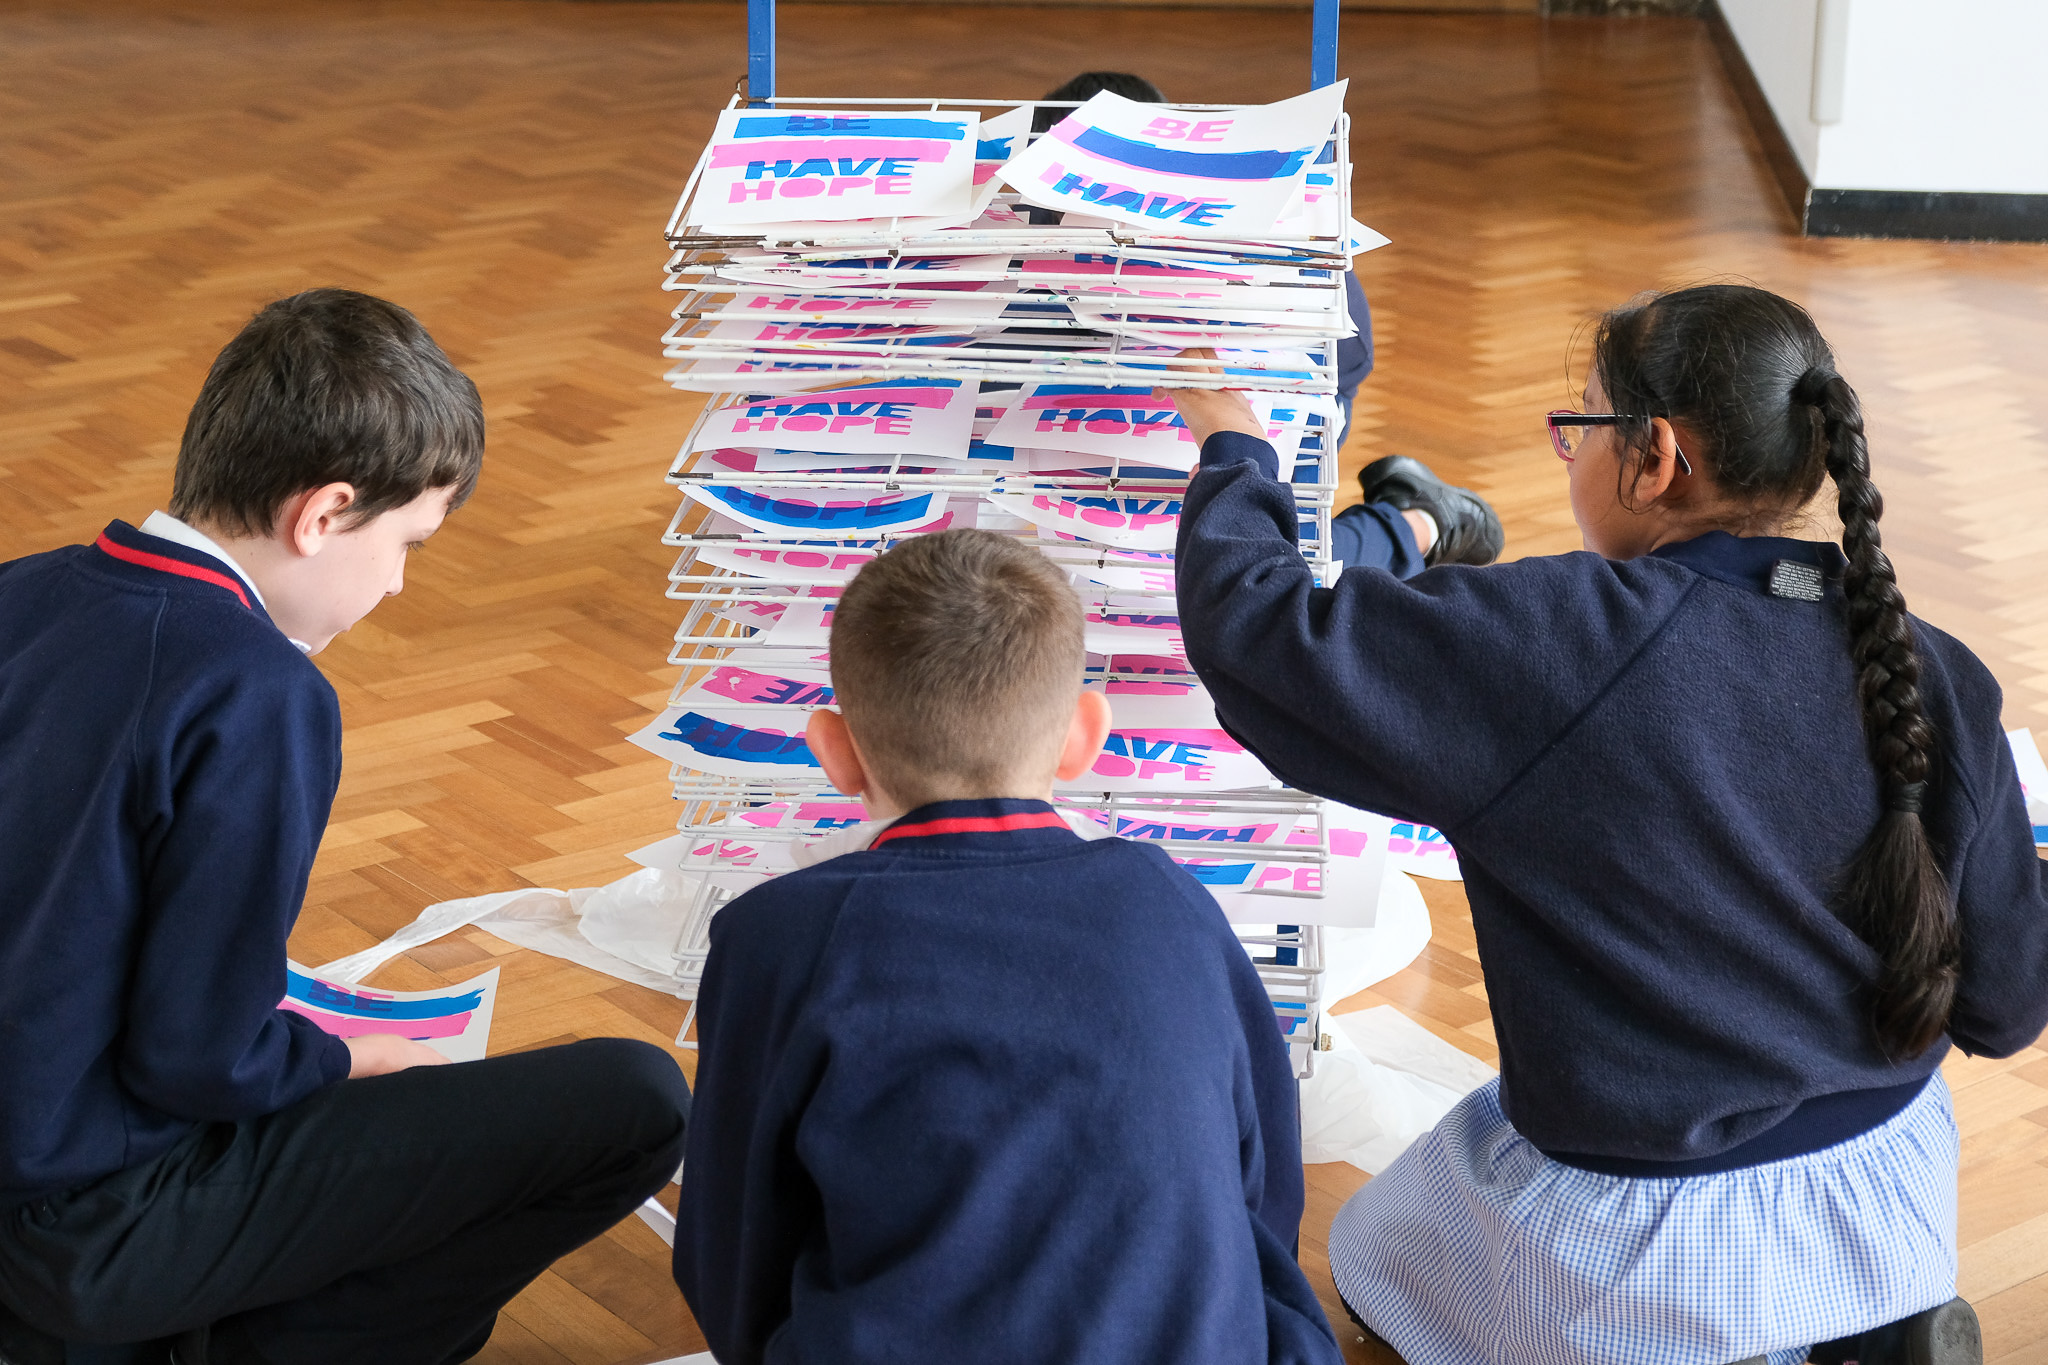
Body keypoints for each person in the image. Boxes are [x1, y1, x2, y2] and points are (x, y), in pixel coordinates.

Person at [1161, 284, 2043, 1364]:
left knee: (1370, 1263)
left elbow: (1257, 628)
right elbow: (2004, 1010)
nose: (1563, 453)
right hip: (1887, 1192)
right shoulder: (1933, 670)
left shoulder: (1563, 643)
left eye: (1577, 425)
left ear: (1654, 457)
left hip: (1639, 1235)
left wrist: (1233, 447)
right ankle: (1841, 1330)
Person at [0, 289, 690, 1365]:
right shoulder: (257, 691)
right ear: (321, 515)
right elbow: (197, 1060)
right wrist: (345, 1059)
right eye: (407, 542)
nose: (399, 581)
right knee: (633, 1100)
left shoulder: (23, 593)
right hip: (73, 1230)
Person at [671, 528, 1343, 1365]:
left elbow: (730, 1250)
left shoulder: (777, 935)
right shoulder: (1171, 900)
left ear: (834, 750)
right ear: (1084, 734)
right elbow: (1262, 1192)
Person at [1033, 72, 1502, 575]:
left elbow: (1344, 362)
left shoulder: (1269, 246)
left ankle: (1419, 522)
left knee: (1263, 565)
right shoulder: (1027, 239)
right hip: (1103, 411)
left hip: (1272, 399)